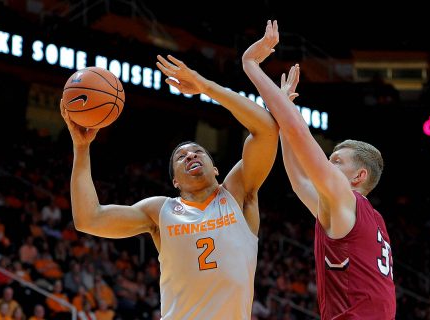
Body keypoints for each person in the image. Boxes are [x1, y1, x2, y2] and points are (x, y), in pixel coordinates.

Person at [60, 54, 279, 319]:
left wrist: (206, 87)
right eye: (181, 156)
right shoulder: (160, 211)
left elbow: (266, 129)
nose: (190, 156)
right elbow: (89, 219)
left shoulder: (237, 193)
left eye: (198, 151)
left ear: (216, 169)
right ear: (175, 181)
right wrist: (82, 149)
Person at [242, 20, 396, 319]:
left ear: (358, 176)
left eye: (337, 161)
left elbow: (300, 134)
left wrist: (251, 66)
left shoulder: (345, 200)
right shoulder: (367, 218)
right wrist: (284, 109)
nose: (327, 163)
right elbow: (299, 180)